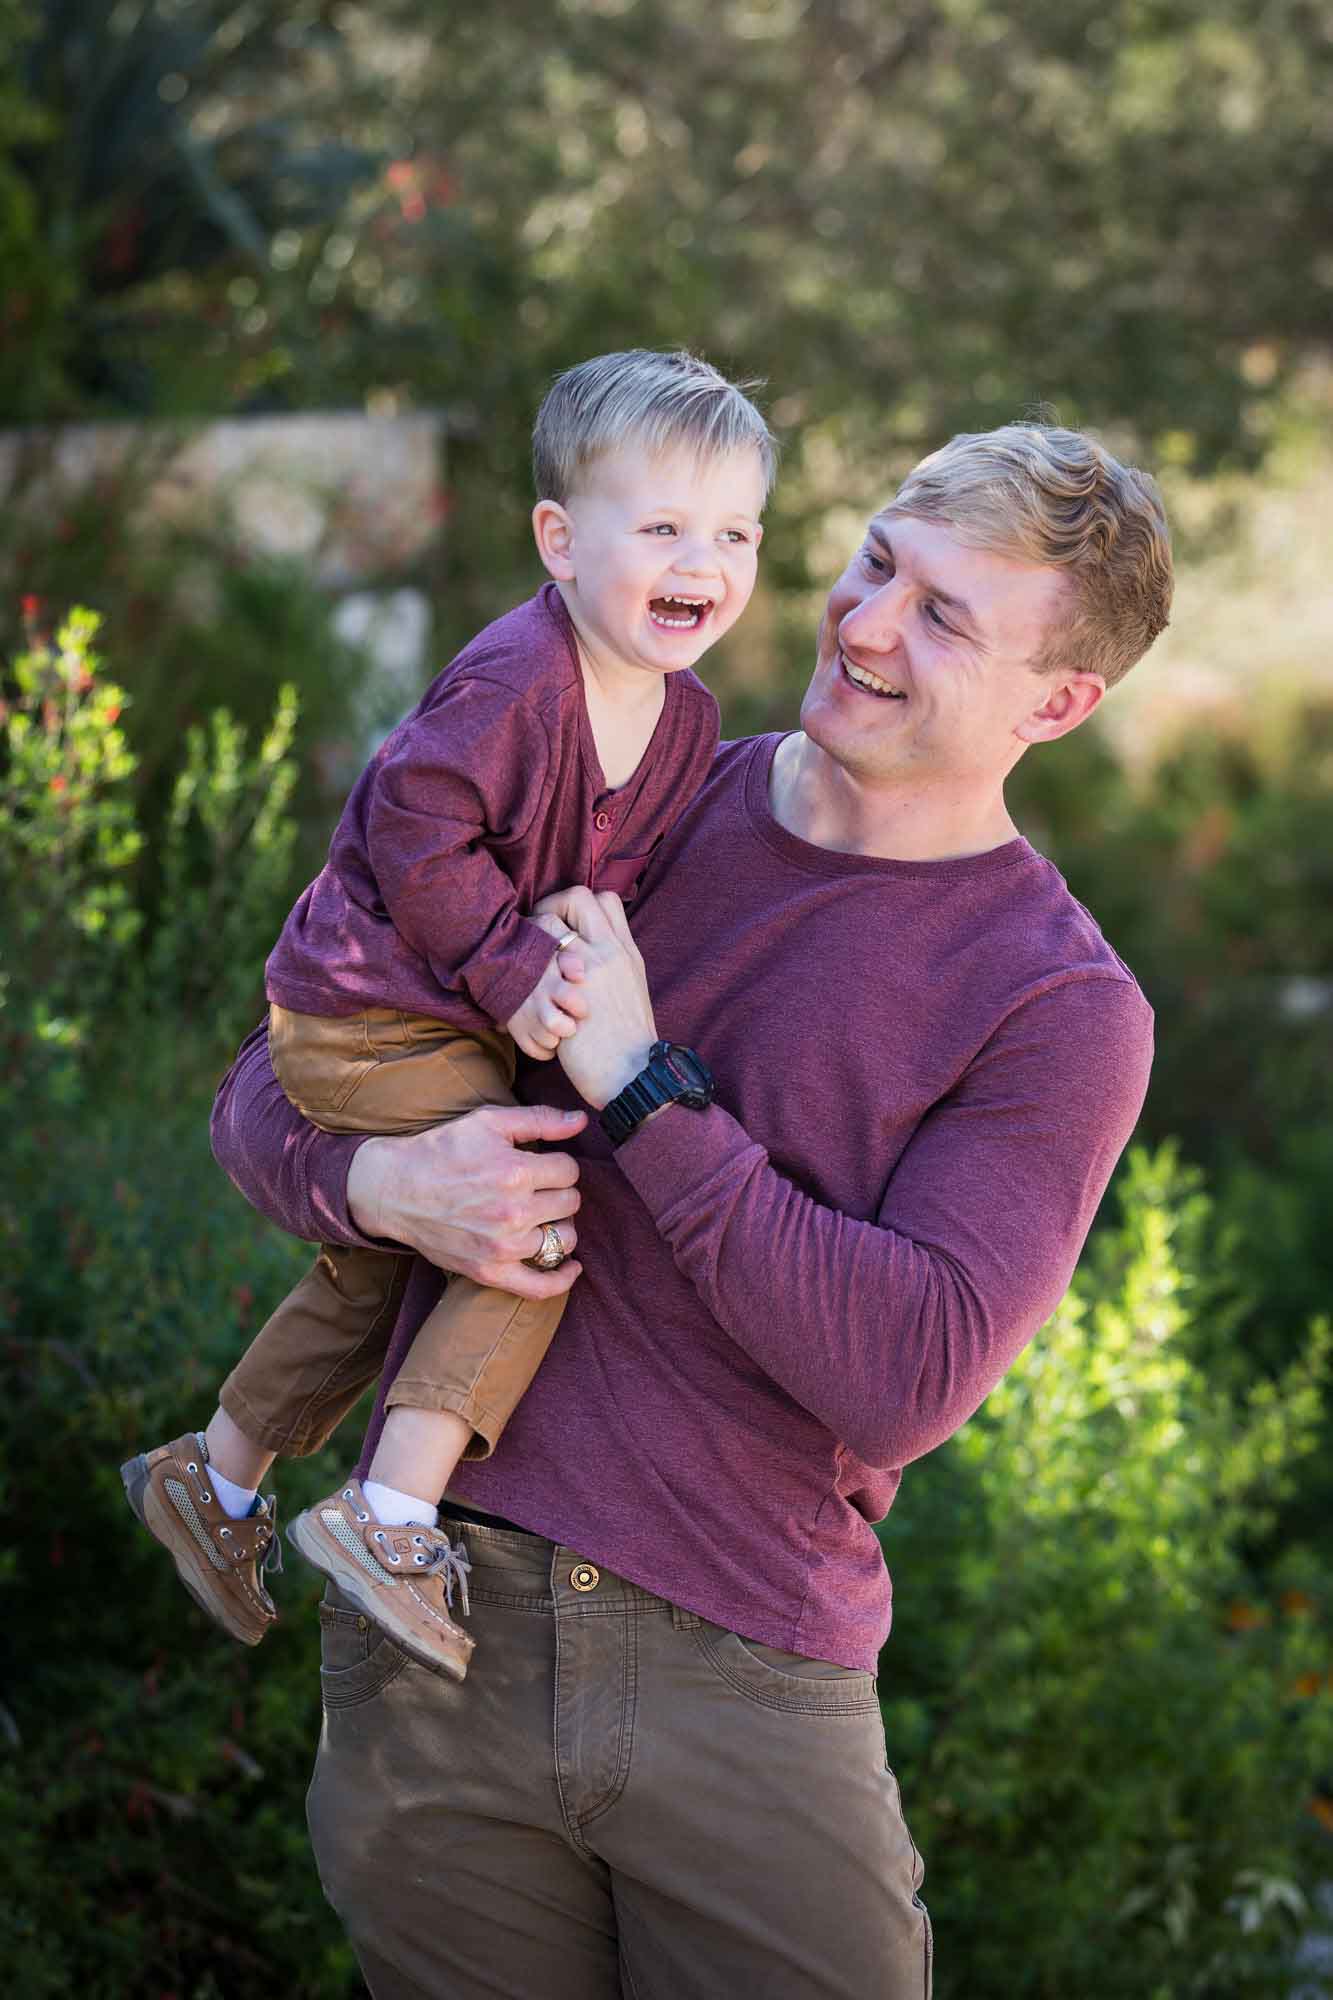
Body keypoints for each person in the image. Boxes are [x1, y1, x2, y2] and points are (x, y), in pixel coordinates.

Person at [210, 421, 1172, 1998]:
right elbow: (272, 1078)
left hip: (744, 1675)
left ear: (1056, 702)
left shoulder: (1052, 1004)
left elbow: (905, 1374)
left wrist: (638, 1082)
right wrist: (381, 1186)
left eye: (941, 616)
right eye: (875, 562)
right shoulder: (622, 794)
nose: (865, 624)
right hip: (434, 1622)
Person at [122, 349, 775, 1678]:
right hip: (368, 1012)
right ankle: (390, 1515)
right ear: (559, 540)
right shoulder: (517, 682)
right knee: (521, 1222)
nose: (700, 562)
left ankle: (216, 1476)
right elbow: (410, 827)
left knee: (387, 1254)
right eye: (661, 528)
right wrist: (511, 967)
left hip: (444, 1025)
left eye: (734, 534)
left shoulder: (686, 720)